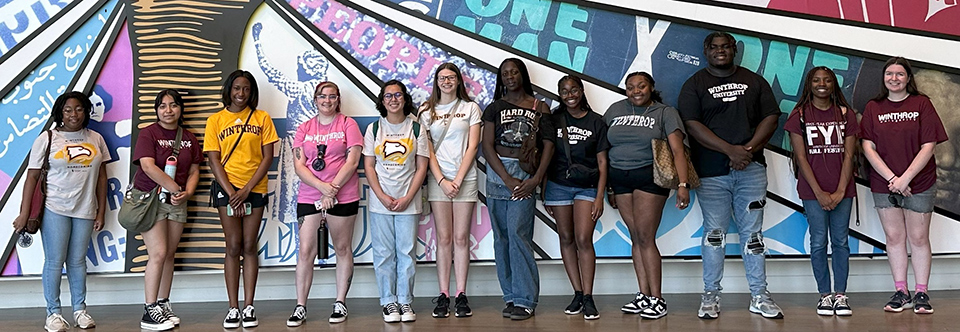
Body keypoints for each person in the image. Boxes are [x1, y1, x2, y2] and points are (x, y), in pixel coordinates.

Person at [677, 32, 783, 319]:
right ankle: (710, 295)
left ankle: (759, 295)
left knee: (753, 236)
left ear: (734, 50)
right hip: (711, 172)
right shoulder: (694, 84)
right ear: (706, 51)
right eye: (714, 47)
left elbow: (771, 118)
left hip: (751, 169)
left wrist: (746, 150)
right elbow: (692, 124)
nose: (720, 51)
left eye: (726, 47)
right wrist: (729, 151)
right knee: (714, 235)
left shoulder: (754, 80)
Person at [13, 91, 109, 332]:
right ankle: (53, 314)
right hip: (54, 207)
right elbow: (32, 177)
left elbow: (102, 178)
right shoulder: (46, 138)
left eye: (78, 109)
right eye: (68, 110)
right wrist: (24, 213)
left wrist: (101, 211)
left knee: (77, 261)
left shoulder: (96, 138)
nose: (73, 114)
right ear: (60, 113)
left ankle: (80, 310)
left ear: (86, 111)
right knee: (55, 262)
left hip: (85, 208)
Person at [861, 57, 947, 314]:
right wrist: (893, 180)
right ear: (884, 78)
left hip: (919, 182)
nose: (894, 78)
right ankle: (901, 291)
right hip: (883, 183)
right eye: (890, 74)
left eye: (900, 74)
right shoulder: (873, 107)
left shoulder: (922, 104)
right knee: (894, 237)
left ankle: (921, 292)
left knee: (919, 238)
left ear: (908, 78)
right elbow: (867, 147)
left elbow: (928, 145)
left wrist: (905, 179)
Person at [605, 72, 690, 320]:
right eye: (631, 87)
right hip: (620, 179)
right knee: (635, 237)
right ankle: (643, 295)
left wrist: (683, 184)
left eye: (641, 86)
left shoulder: (664, 112)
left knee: (645, 236)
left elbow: (677, 150)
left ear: (651, 87)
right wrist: (609, 186)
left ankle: (658, 299)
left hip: (649, 177)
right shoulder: (614, 110)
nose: (636, 91)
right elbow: (604, 146)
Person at [203, 70, 279, 329]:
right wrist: (231, 191)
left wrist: (246, 190)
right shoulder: (216, 120)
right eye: (237, 88)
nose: (241, 93)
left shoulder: (262, 118)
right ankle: (232, 307)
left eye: (246, 89)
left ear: (252, 92)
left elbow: (267, 157)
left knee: (249, 245)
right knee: (233, 245)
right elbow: (213, 158)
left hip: (255, 189)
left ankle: (249, 306)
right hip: (227, 191)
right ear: (229, 90)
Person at [481, 58, 554, 321]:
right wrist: (506, 178)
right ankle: (510, 296)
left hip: (525, 175)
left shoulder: (539, 106)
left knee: (518, 234)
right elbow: (487, 146)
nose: (510, 76)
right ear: (501, 79)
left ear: (522, 75)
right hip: (498, 174)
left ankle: (525, 299)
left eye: (514, 72)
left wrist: (535, 179)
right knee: (501, 238)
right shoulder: (493, 107)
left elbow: (548, 145)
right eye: (505, 73)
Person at [287, 81, 363, 326]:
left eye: (332, 96)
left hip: (344, 195)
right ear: (315, 99)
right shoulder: (304, 128)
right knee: (306, 251)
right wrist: (322, 189)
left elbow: (352, 162)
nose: (327, 101)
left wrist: (333, 190)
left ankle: (340, 302)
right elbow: (299, 166)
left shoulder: (348, 124)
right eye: (323, 96)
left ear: (338, 99)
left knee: (342, 249)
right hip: (310, 197)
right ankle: (300, 306)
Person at [784, 67, 858, 316]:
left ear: (834, 84)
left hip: (843, 190)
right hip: (812, 192)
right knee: (818, 242)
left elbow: (849, 155)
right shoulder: (800, 115)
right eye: (816, 80)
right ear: (809, 84)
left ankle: (841, 295)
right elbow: (801, 158)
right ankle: (824, 295)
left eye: (827, 80)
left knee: (841, 242)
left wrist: (839, 191)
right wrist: (819, 193)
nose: (822, 84)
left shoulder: (846, 114)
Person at [133, 89, 202, 330]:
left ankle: (162, 304)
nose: (168, 110)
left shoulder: (189, 138)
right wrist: (175, 188)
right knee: (159, 253)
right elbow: (148, 167)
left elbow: (194, 170)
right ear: (156, 110)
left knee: (170, 254)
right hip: (152, 199)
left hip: (177, 201)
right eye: (162, 106)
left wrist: (188, 192)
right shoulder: (148, 133)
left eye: (173, 105)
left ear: (180, 108)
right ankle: (149, 309)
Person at [541, 75, 608, 320]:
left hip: (587, 187)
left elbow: (603, 163)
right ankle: (577, 293)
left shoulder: (597, 122)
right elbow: (546, 156)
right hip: (558, 187)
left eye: (574, 90)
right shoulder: (554, 119)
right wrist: (544, 191)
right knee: (566, 238)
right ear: (559, 94)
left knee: (583, 238)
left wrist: (600, 196)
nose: (570, 94)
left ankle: (589, 297)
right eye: (564, 91)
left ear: (581, 91)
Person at [418, 63, 482, 318]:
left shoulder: (470, 108)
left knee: (460, 238)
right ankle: (443, 293)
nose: (446, 82)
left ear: (458, 81)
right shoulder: (426, 111)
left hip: (465, 178)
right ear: (436, 81)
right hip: (438, 180)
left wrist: (457, 177)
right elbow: (428, 149)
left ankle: (462, 293)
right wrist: (443, 179)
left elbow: (473, 146)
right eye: (442, 78)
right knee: (443, 239)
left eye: (451, 78)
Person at [364, 80, 430, 323]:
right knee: (383, 253)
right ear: (382, 101)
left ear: (405, 99)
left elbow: (422, 167)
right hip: (380, 201)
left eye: (398, 95)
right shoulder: (373, 129)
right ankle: (388, 301)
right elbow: (369, 166)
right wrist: (382, 196)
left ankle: (405, 301)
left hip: (409, 201)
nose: (393, 99)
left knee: (406, 252)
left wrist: (407, 197)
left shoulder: (416, 129)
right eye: (388, 96)